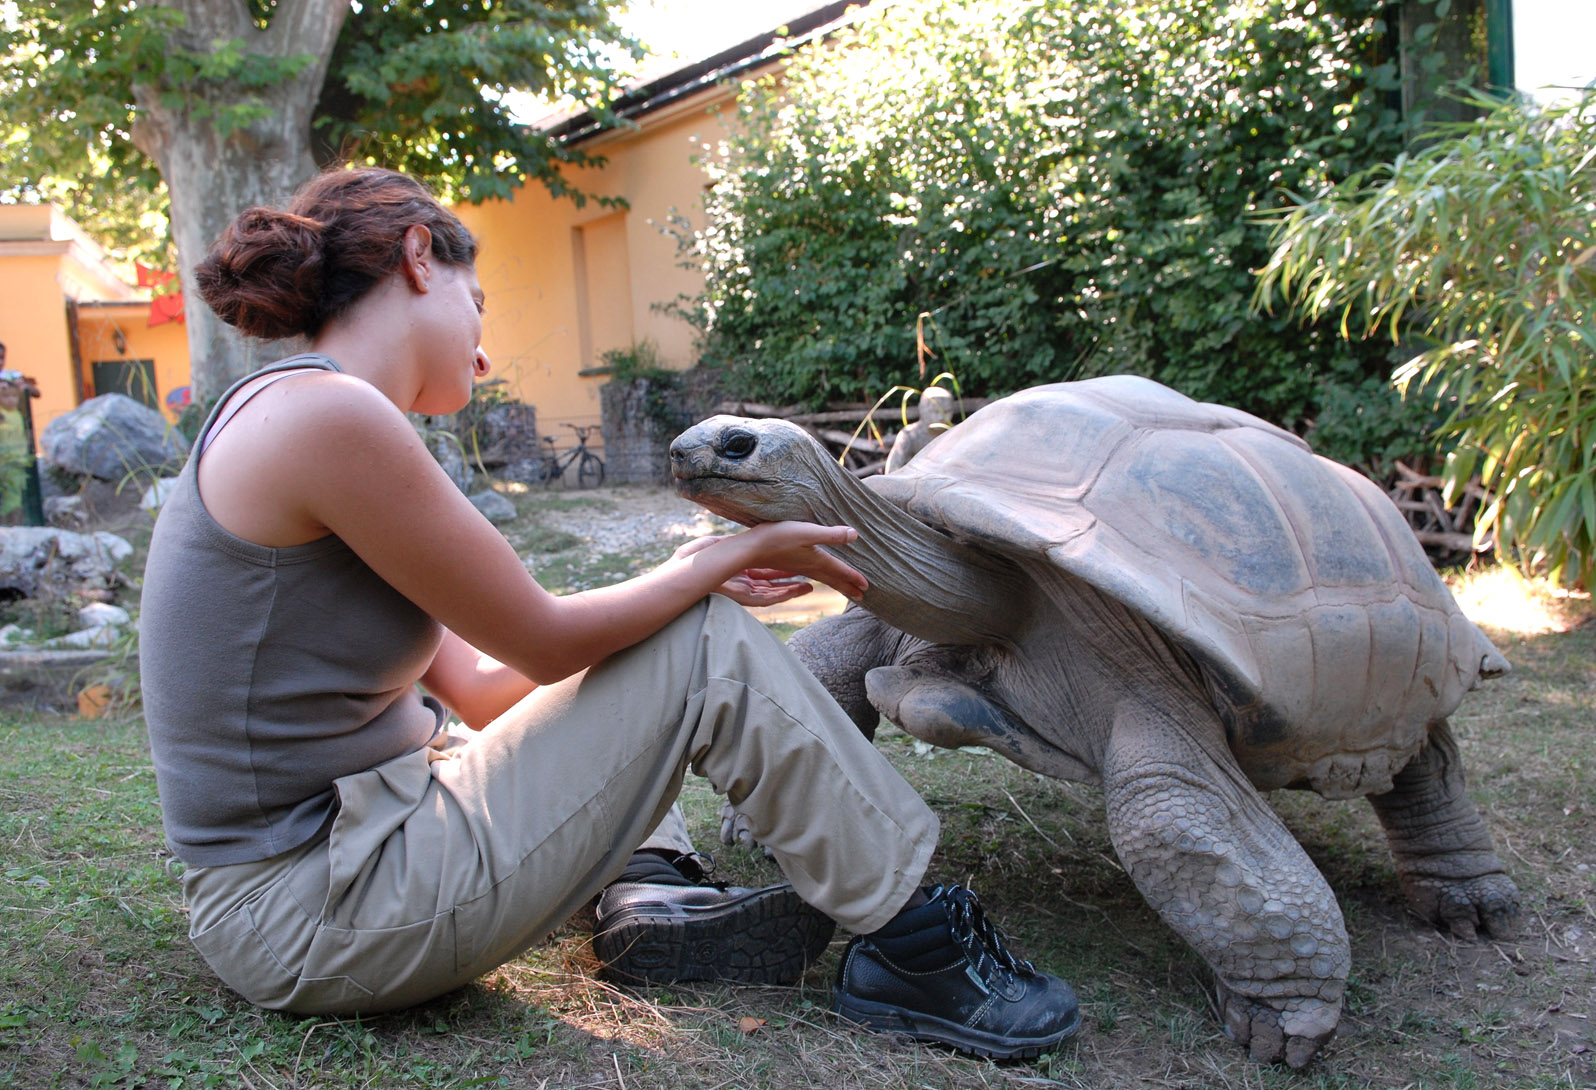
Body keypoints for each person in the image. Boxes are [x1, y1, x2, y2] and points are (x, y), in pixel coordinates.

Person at [138, 167, 1079, 1061]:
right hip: (314, 909)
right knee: (702, 649)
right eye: (479, 304)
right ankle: (917, 946)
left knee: (664, 639)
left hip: (340, 870)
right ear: (420, 257)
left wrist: (691, 573)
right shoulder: (331, 419)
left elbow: (483, 689)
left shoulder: (300, 414)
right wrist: (729, 558)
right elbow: (544, 642)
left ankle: (652, 895)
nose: (484, 347)